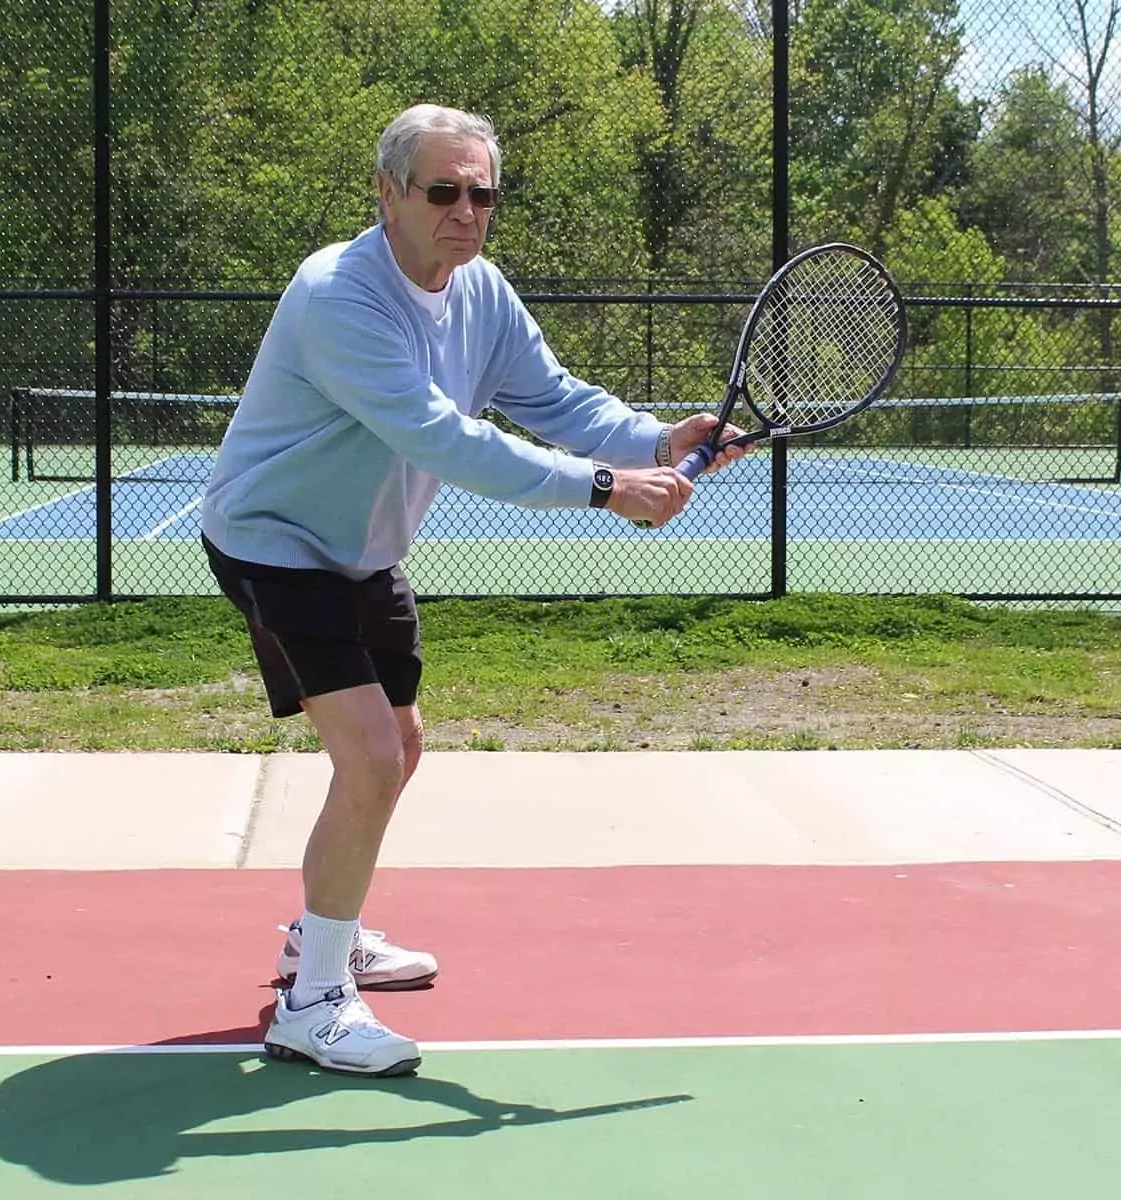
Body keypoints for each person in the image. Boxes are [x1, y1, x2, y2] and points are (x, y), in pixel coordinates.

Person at [199, 103, 745, 1077]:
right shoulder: (338, 296)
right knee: (368, 757)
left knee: (399, 748)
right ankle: (313, 1003)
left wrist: (656, 441)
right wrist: (607, 489)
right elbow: (443, 439)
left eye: (481, 192)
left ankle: (326, 928)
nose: (465, 211)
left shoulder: (479, 292)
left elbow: (554, 397)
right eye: (443, 190)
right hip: (276, 543)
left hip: (366, 549)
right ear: (388, 193)